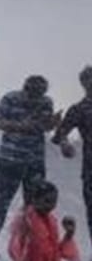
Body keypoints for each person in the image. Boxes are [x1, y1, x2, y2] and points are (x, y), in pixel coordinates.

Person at [0, 75, 62, 259]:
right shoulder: (11, 98)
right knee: (1, 201)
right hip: (9, 159)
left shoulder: (46, 102)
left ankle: (27, 245)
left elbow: (43, 128)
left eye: (40, 95)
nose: (35, 100)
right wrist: (19, 126)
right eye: (32, 96)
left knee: (34, 204)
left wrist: (52, 123)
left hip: (34, 160)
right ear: (25, 90)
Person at [52, 65, 92, 244]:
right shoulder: (78, 109)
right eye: (88, 79)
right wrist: (65, 144)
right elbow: (60, 134)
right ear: (83, 83)